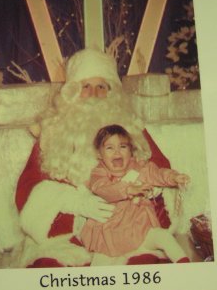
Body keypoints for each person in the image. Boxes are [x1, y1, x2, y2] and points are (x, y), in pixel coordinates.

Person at [14, 48, 175, 268]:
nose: (93, 95)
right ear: (71, 92)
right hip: (65, 238)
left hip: (128, 231)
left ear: (112, 93)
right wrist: (74, 203)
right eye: (85, 87)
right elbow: (27, 188)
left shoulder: (131, 128)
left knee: (145, 267)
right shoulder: (50, 133)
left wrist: (142, 185)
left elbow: (162, 169)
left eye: (101, 86)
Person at [80, 124, 190, 263]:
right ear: (99, 154)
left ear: (131, 150)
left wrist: (173, 177)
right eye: (109, 148)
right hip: (111, 235)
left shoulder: (139, 167)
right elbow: (101, 188)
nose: (117, 153)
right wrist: (127, 189)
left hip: (141, 230)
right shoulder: (99, 172)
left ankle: (186, 267)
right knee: (101, 262)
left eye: (123, 147)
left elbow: (157, 173)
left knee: (164, 237)